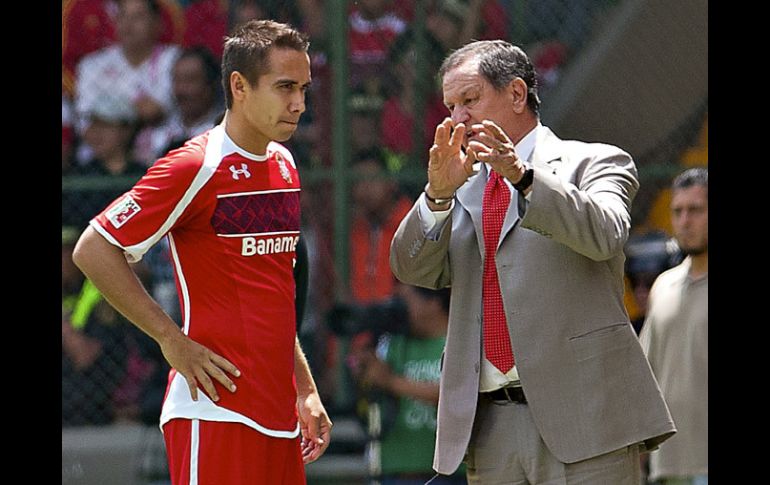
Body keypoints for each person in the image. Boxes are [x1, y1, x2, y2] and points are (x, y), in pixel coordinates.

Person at [389, 39, 676, 484]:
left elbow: (605, 234)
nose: (458, 118)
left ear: (517, 94)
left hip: (587, 418)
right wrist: (436, 196)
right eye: (450, 106)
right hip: (490, 427)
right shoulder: (459, 183)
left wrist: (521, 177)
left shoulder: (594, 160)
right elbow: (411, 269)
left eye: (470, 100)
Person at [73, 19, 332, 484]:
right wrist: (171, 340)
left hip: (278, 415)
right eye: (285, 87)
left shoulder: (285, 164)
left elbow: (273, 292)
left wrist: (306, 388)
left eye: (305, 88)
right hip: (213, 413)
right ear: (239, 86)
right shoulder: (195, 164)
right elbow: (93, 248)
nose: (299, 104)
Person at [350, 284, 466, 485]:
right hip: (397, 471)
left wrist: (391, 381)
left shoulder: (458, 341)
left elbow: (453, 396)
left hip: (450, 473)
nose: (397, 308)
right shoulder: (392, 343)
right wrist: (362, 369)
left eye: (404, 301)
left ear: (432, 303)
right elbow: (371, 392)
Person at [639, 168, 708, 485]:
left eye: (695, 210)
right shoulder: (662, 287)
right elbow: (645, 375)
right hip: (666, 466)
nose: (684, 221)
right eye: (677, 211)